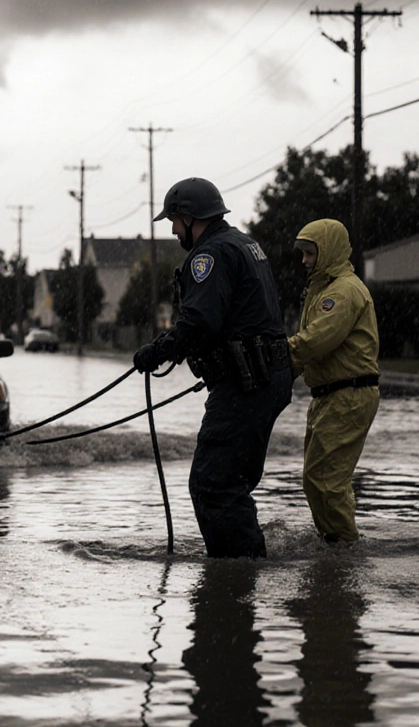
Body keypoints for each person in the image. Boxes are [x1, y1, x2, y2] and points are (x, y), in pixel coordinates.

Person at [132, 177, 294, 558]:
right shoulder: (245, 243)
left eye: (173, 220)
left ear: (189, 217)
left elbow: (201, 323)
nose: (172, 230)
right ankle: (242, 574)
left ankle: (235, 583)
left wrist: (157, 351)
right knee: (230, 483)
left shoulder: (211, 255)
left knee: (213, 485)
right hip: (265, 378)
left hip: (246, 384)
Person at [288, 218, 379, 544]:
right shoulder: (322, 291)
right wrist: (284, 370)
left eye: (310, 253)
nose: (305, 261)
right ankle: (336, 541)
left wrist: (277, 355)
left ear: (329, 251)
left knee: (325, 480)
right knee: (318, 480)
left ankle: (344, 550)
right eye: (303, 254)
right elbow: (308, 350)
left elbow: (315, 341)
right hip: (331, 394)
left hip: (347, 394)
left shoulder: (342, 292)